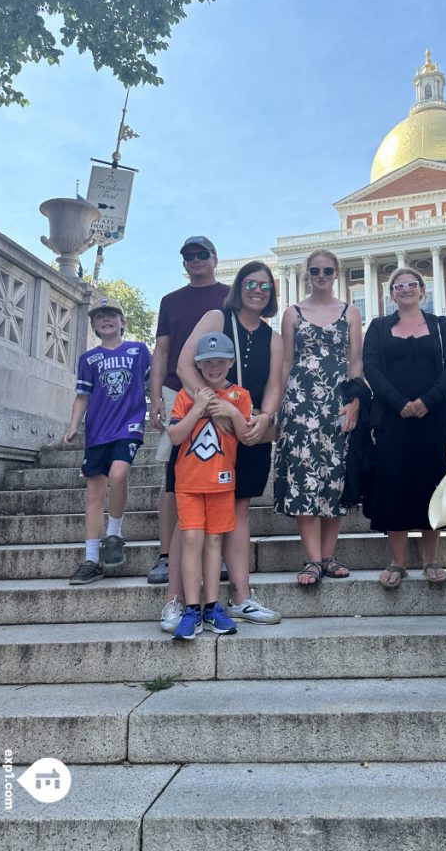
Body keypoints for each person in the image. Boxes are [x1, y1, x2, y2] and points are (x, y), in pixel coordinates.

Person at [176, 260, 283, 626]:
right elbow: (184, 365)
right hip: (204, 432)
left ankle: (241, 596)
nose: (257, 290)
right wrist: (212, 405)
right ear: (238, 286)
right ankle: (178, 600)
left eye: (265, 286)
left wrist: (264, 418)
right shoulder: (216, 318)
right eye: (251, 283)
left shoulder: (274, 336)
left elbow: (274, 386)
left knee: (238, 511)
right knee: (189, 521)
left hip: (248, 431)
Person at [363, 268, 446, 587]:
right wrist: (398, 401)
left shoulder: (440, 325)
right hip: (393, 416)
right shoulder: (378, 327)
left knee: (432, 481)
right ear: (391, 294)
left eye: (412, 284)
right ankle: (398, 560)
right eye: (398, 286)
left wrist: (427, 400)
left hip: (434, 416)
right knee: (393, 482)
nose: (405, 289)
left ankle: (431, 558)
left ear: (422, 291)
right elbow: (371, 367)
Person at [147, 236, 229, 598]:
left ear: (214, 258)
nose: (194, 260)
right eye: (188, 256)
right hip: (175, 389)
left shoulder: (230, 295)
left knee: (217, 468)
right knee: (172, 474)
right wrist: (154, 398)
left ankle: (217, 552)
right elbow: (162, 350)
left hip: (219, 389)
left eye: (201, 254)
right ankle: (167, 553)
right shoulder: (171, 300)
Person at [275, 248, 363, 586]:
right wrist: (281, 407)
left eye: (327, 271)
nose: (321, 276)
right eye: (315, 271)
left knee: (334, 478)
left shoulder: (350, 312)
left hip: (337, 404)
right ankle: (311, 559)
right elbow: (286, 363)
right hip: (300, 404)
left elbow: (355, 363)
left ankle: (328, 556)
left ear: (336, 273)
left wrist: (355, 401)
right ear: (306, 275)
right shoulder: (293, 312)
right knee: (303, 478)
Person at [167, 331, 251, 640]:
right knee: (191, 541)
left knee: (214, 543)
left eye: (220, 361)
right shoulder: (187, 395)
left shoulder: (240, 395)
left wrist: (229, 412)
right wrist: (199, 407)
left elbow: (244, 436)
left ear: (230, 362)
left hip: (222, 483)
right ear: (198, 365)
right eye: (207, 362)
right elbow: (176, 437)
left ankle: (212, 606)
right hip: (189, 483)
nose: (214, 367)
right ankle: (191, 608)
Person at [64, 296, 151, 584]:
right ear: (94, 326)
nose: (106, 319)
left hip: (129, 425)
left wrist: (162, 407)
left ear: (122, 322)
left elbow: (155, 380)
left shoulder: (138, 351)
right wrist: (73, 425)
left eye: (111, 314)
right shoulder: (88, 359)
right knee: (94, 493)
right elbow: (82, 396)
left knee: (119, 473)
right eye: (100, 316)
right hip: (97, 430)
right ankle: (91, 559)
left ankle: (114, 534)